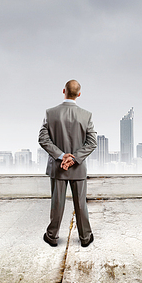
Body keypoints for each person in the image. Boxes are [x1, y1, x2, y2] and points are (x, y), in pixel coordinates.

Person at [38, 80, 97, 247]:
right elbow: (92, 143)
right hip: (78, 168)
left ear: (63, 91)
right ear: (79, 94)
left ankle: (52, 236)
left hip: (58, 167)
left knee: (57, 204)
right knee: (81, 204)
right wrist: (74, 158)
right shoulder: (87, 115)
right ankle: (85, 238)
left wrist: (62, 156)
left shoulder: (51, 113)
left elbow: (43, 139)